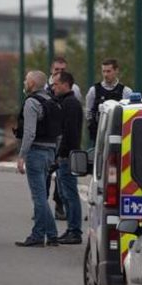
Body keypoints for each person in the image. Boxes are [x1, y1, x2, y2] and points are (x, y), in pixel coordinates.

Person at [14, 70, 63, 247]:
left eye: (26, 80)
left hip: (35, 152)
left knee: (39, 197)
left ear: (33, 84)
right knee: (42, 196)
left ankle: (37, 235)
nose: (24, 83)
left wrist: (22, 156)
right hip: (50, 152)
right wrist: (55, 154)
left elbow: (29, 132)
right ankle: (51, 235)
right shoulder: (53, 102)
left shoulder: (31, 103)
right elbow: (59, 134)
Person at [51, 70, 84, 244]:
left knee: (70, 194)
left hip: (67, 156)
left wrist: (61, 154)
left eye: (56, 84)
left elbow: (68, 133)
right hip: (65, 156)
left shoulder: (70, 104)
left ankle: (75, 231)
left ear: (65, 84)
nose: (53, 87)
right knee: (64, 194)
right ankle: (71, 228)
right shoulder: (65, 102)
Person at [85, 58, 132, 142]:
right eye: (103, 71)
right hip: (98, 138)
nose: (105, 74)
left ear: (116, 71)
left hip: (119, 136)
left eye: (108, 71)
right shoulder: (94, 90)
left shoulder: (126, 92)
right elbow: (88, 113)